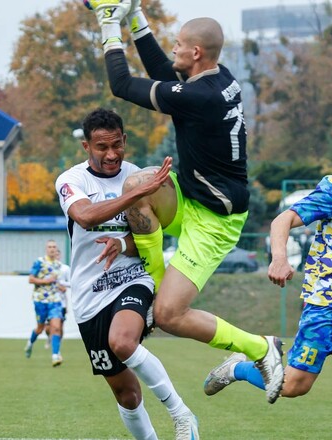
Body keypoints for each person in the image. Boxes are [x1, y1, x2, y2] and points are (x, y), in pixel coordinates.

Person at [86, 0, 284, 403]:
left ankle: (261, 348)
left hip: (215, 218)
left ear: (195, 53)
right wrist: (135, 15)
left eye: (178, 44)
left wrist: (109, 25)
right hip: (193, 194)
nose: (173, 48)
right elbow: (164, 74)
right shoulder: (216, 77)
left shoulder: (202, 98)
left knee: (170, 316)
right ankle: (152, 286)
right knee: (137, 186)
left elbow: (121, 85)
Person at [203, 129, 332, 440]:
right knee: (293, 387)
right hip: (324, 306)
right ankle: (238, 368)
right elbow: (282, 220)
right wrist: (279, 258)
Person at [55, 108, 198, 439]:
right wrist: (136, 193)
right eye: (102, 147)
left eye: (117, 145)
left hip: (134, 277)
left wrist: (122, 243)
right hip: (89, 294)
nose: (111, 155)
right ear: (86, 147)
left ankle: (182, 415)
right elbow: (86, 216)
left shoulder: (139, 175)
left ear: (125, 141)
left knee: (121, 341)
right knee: (127, 395)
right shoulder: (72, 180)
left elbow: (154, 234)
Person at [25, 240, 64, 367]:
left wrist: (60, 286)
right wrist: (45, 281)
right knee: (40, 328)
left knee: (56, 328)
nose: (52, 249)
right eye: (50, 247)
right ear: (46, 249)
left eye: (54, 247)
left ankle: (55, 355)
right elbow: (30, 279)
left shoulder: (59, 265)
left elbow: (56, 281)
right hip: (40, 300)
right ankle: (30, 344)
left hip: (55, 300)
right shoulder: (39, 262)